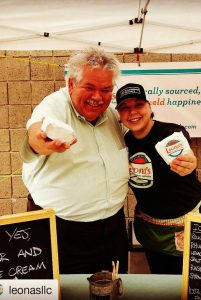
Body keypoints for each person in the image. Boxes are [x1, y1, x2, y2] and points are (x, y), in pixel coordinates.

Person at [20, 47, 131, 274]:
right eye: (89, 87)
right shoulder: (54, 106)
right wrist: (40, 143)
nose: (97, 97)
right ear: (71, 84)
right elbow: (35, 135)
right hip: (62, 232)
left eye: (106, 89)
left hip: (112, 230)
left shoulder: (111, 114)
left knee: (113, 290)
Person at [115, 83, 201, 274]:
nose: (133, 112)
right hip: (152, 230)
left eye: (138, 105)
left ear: (149, 107)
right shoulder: (125, 143)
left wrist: (189, 164)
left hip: (189, 223)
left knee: (194, 282)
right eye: (125, 108)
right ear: (119, 115)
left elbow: (185, 155)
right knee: (162, 280)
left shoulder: (171, 134)